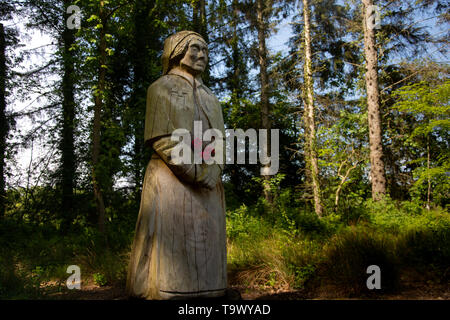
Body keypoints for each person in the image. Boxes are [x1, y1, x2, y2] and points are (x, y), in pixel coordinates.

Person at [126, 31, 227, 299]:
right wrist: (194, 171)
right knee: (171, 256)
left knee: (207, 248)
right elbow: (161, 137)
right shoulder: (160, 88)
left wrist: (214, 169)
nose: (202, 55)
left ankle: (210, 290)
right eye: (195, 48)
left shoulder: (211, 97)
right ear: (177, 51)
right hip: (172, 179)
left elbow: (221, 139)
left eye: (206, 50)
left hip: (209, 185)